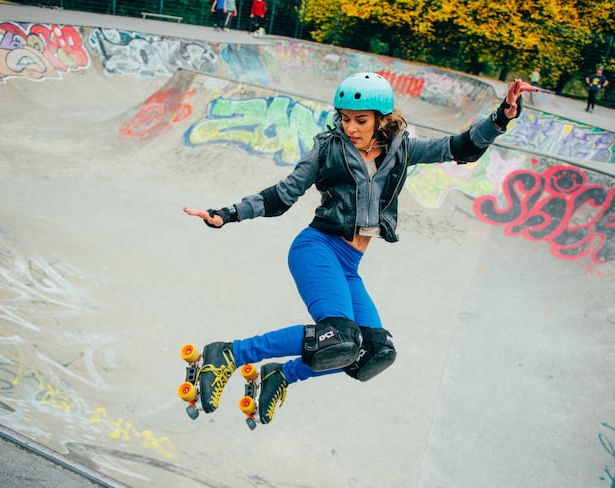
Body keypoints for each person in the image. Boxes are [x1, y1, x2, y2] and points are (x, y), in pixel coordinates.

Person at [183, 73, 536, 425]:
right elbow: (282, 195)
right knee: (336, 335)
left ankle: (282, 375)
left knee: (373, 352)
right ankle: (229, 353)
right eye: (345, 119)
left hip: (349, 264)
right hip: (317, 248)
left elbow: (461, 147)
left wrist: (502, 115)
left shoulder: (403, 148)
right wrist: (228, 214)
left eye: (361, 120)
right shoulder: (327, 149)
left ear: (381, 119)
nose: (351, 128)